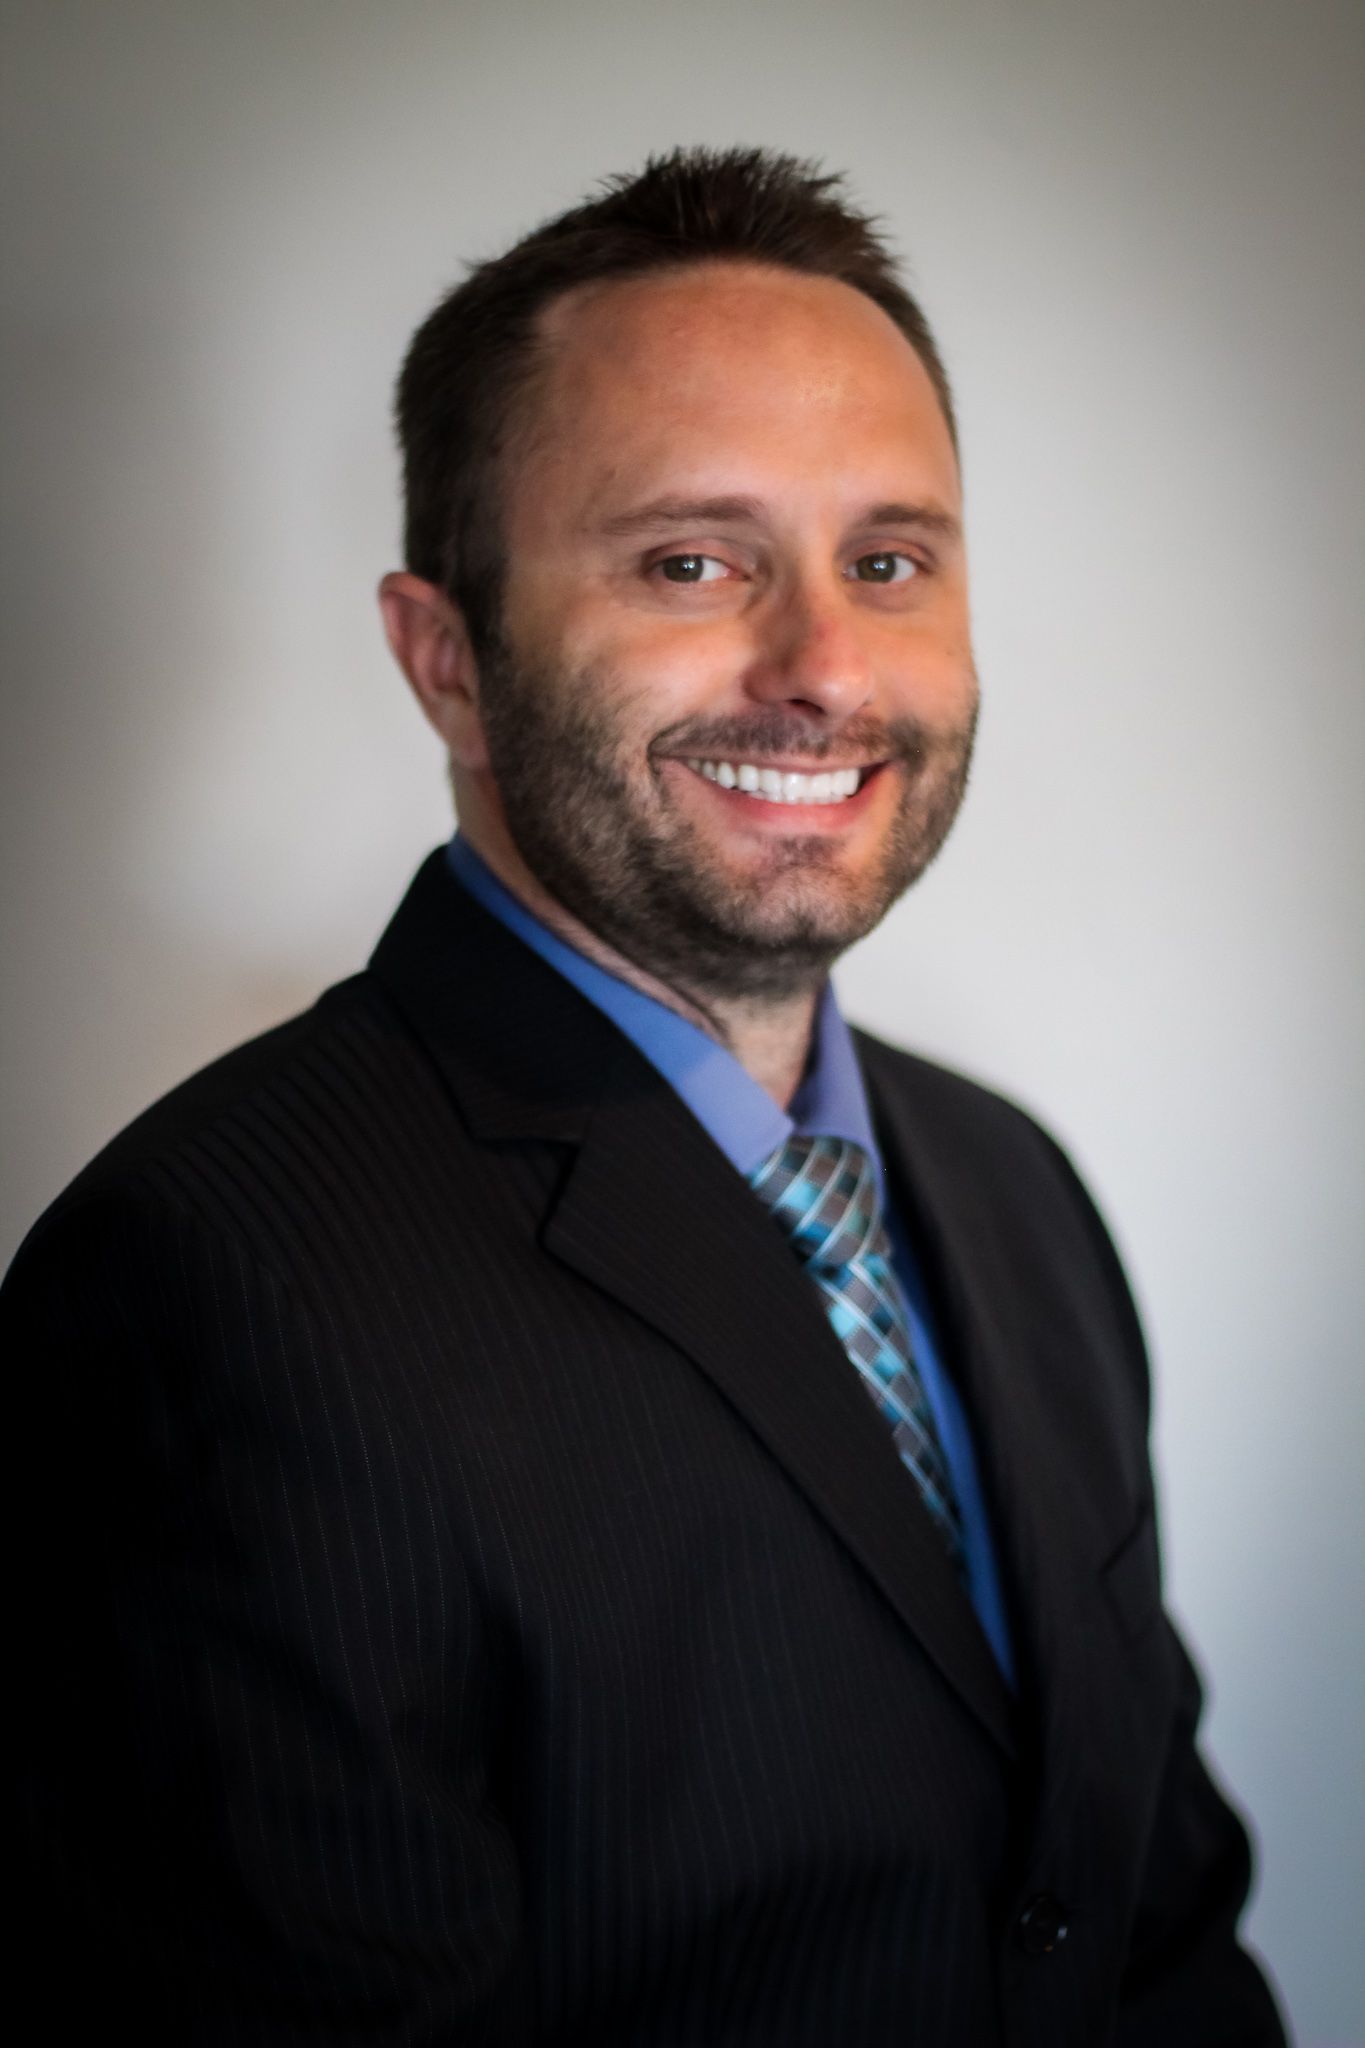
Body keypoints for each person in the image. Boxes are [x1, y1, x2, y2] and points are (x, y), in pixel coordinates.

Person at [6, 147, 1288, 2044]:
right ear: (447, 660)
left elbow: (1152, 1926)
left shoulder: (1012, 1194)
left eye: (887, 560)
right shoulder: (214, 1288)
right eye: (691, 560)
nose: (824, 667)